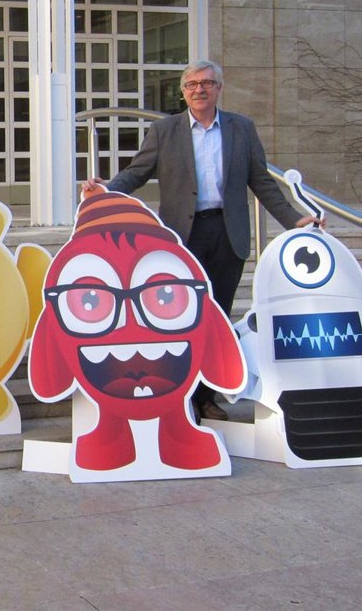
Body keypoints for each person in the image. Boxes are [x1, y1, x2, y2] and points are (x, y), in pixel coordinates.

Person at [93, 59, 321, 421]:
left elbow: (261, 181)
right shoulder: (165, 131)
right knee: (180, 318)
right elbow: (137, 173)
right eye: (192, 84)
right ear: (183, 92)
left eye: (207, 83)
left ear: (219, 88)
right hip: (183, 237)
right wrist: (106, 193)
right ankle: (179, 397)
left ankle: (205, 398)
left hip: (227, 235)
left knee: (217, 319)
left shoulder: (241, 129)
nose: (199, 89)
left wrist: (294, 220)